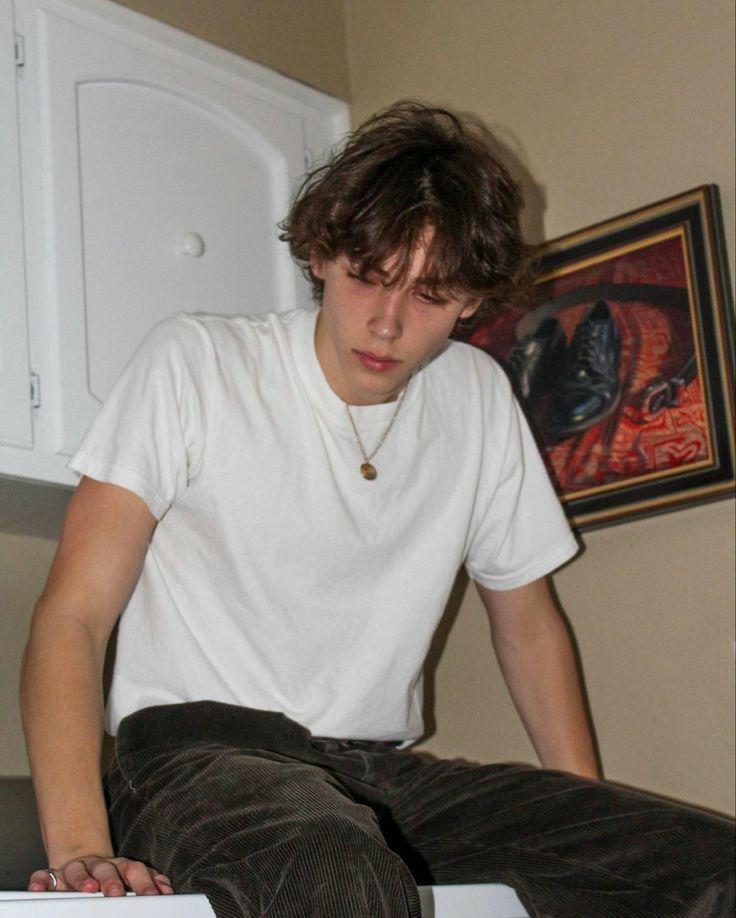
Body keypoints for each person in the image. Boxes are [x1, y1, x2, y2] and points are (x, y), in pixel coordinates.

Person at [20, 101, 734, 918]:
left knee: (711, 868)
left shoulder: (478, 398)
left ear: (472, 300)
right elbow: (72, 616)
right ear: (321, 254)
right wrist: (83, 848)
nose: (389, 324)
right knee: (338, 876)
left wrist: (581, 818)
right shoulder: (198, 361)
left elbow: (528, 627)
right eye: (369, 276)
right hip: (197, 754)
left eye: (430, 294)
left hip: (377, 772)